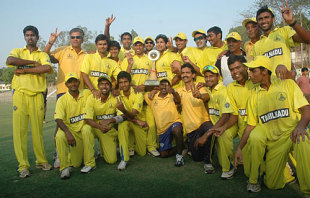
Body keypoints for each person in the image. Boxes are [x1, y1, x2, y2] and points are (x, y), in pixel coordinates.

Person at [234, 56, 310, 195]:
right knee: (273, 184)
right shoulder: (253, 96)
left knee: (303, 138)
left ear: (265, 71)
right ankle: (281, 171)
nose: (250, 74)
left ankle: (308, 190)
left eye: (253, 71)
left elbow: (306, 109)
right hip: (275, 144)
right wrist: (239, 148)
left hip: (291, 134)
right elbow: (250, 126)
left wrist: (300, 126)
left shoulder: (287, 84)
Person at [6, 25, 53, 178]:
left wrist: (24, 69)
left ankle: (41, 161)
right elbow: (10, 60)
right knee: (19, 132)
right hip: (20, 94)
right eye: (27, 35)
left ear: (38, 37)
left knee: (37, 131)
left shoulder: (42, 54)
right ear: (24, 37)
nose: (30, 37)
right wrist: (32, 63)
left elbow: (46, 68)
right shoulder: (18, 51)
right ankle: (23, 166)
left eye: (32, 35)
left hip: (37, 95)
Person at [194, 64, 237, 179]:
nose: (208, 79)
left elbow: (226, 116)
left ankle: (229, 167)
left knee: (222, 135)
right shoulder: (209, 89)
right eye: (206, 76)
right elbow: (206, 96)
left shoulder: (223, 91)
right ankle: (208, 160)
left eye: (211, 76)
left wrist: (207, 135)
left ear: (218, 77)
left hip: (228, 123)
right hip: (215, 123)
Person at [121, 36, 159, 157]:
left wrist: (144, 86)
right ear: (133, 46)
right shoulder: (127, 59)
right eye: (136, 45)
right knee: (132, 121)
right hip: (131, 94)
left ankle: (151, 147)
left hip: (146, 95)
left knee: (151, 123)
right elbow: (123, 77)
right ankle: (131, 147)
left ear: (143, 47)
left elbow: (153, 79)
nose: (138, 47)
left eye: (140, 45)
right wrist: (133, 86)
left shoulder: (149, 60)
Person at [252, 3, 310, 78]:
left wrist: (292, 22)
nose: (263, 21)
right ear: (257, 22)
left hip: (286, 86)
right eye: (260, 19)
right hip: (270, 88)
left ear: (273, 18)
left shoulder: (284, 32)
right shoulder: (256, 45)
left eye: (266, 17)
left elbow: (308, 39)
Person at [82, 74, 125, 173]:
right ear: (98, 86)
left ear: (110, 86)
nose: (104, 86)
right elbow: (87, 119)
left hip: (107, 129)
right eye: (101, 84)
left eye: (107, 84)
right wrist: (99, 127)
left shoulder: (115, 97)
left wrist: (110, 120)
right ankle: (89, 163)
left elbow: (122, 116)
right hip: (95, 127)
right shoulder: (91, 98)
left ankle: (102, 150)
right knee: (85, 129)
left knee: (111, 160)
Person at [176, 64, 213, 173]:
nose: (185, 75)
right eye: (183, 73)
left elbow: (207, 97)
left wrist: (199, 96)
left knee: (209, 129)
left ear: (193, 75)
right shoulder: (178, 91)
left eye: (187, 73)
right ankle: (192, 147)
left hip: (203, 123)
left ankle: (208, 162)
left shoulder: (200, 87)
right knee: (197, 158)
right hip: (191, 130)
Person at [54, 72, 87, 179]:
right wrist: (68, 133)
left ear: (79, 82)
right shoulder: (62, 99)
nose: (73, 84)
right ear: (66, 85)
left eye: (75, 81)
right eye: (70, 82)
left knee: (77, 163)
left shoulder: (86, 94)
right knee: (59, 136)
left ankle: (73, 156)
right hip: (68, 129)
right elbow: (58, 118)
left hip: (80, 131)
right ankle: (64, 167)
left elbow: (100, 92)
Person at [145, 78, 184, 166]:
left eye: (167, 85)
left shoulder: (172, 95)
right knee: (163, 154)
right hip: (162, 130)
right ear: (159, 86)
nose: (164, 87)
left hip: (174, 122)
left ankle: (179, 156)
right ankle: (182, 146)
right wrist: (153, 91)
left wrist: (173, 91)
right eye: (162, 84)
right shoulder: (153, 97)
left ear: (170, 87)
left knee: (177, 130)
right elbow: (143, 95)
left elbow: (178, 100)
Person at [116, 71, 148, 170]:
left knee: (142, 152)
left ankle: (129, 146)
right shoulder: (117, 95)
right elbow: (123, 117)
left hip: (137, 121)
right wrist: (136, 120)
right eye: (121, 82)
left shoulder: (138, 93)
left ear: (130, 82)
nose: (123, 85)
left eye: (125, 82)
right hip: (130, 121)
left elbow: (133, 114)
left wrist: (124, 110)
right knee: (122, 125)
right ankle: (124, 158)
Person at [81, 34, 121, 98]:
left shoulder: (113, 62)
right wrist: (93, 90)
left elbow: (121, 78)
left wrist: (117, 90)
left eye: (104, 44)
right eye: (100, 44)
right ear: (96, 45)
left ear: (107, 46)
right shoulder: (89, 57)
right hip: (89, 93)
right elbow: (84, 74)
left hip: (105, 95)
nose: (102, 46)